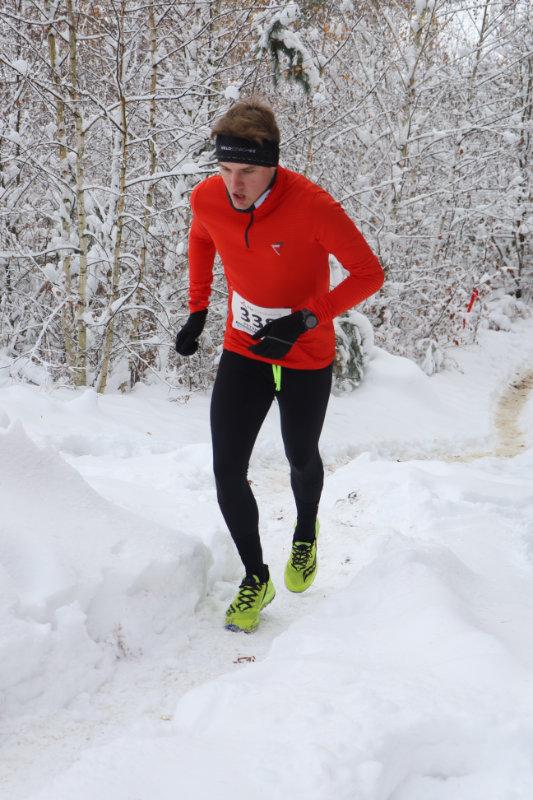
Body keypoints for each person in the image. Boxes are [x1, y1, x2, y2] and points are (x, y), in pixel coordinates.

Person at [175, 98, 384, 633]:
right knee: (227, 470)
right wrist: (198, 309)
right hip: (244, 348)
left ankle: (306, 532)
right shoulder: (208, 197)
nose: (234, 185)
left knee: (299, 454)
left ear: (272, 163)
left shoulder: (312, 205)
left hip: (305, 352)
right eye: (225, 169)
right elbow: (202, 236)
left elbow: (368, 272)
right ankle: (255, 577)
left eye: (246, 171)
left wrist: (307, 318)